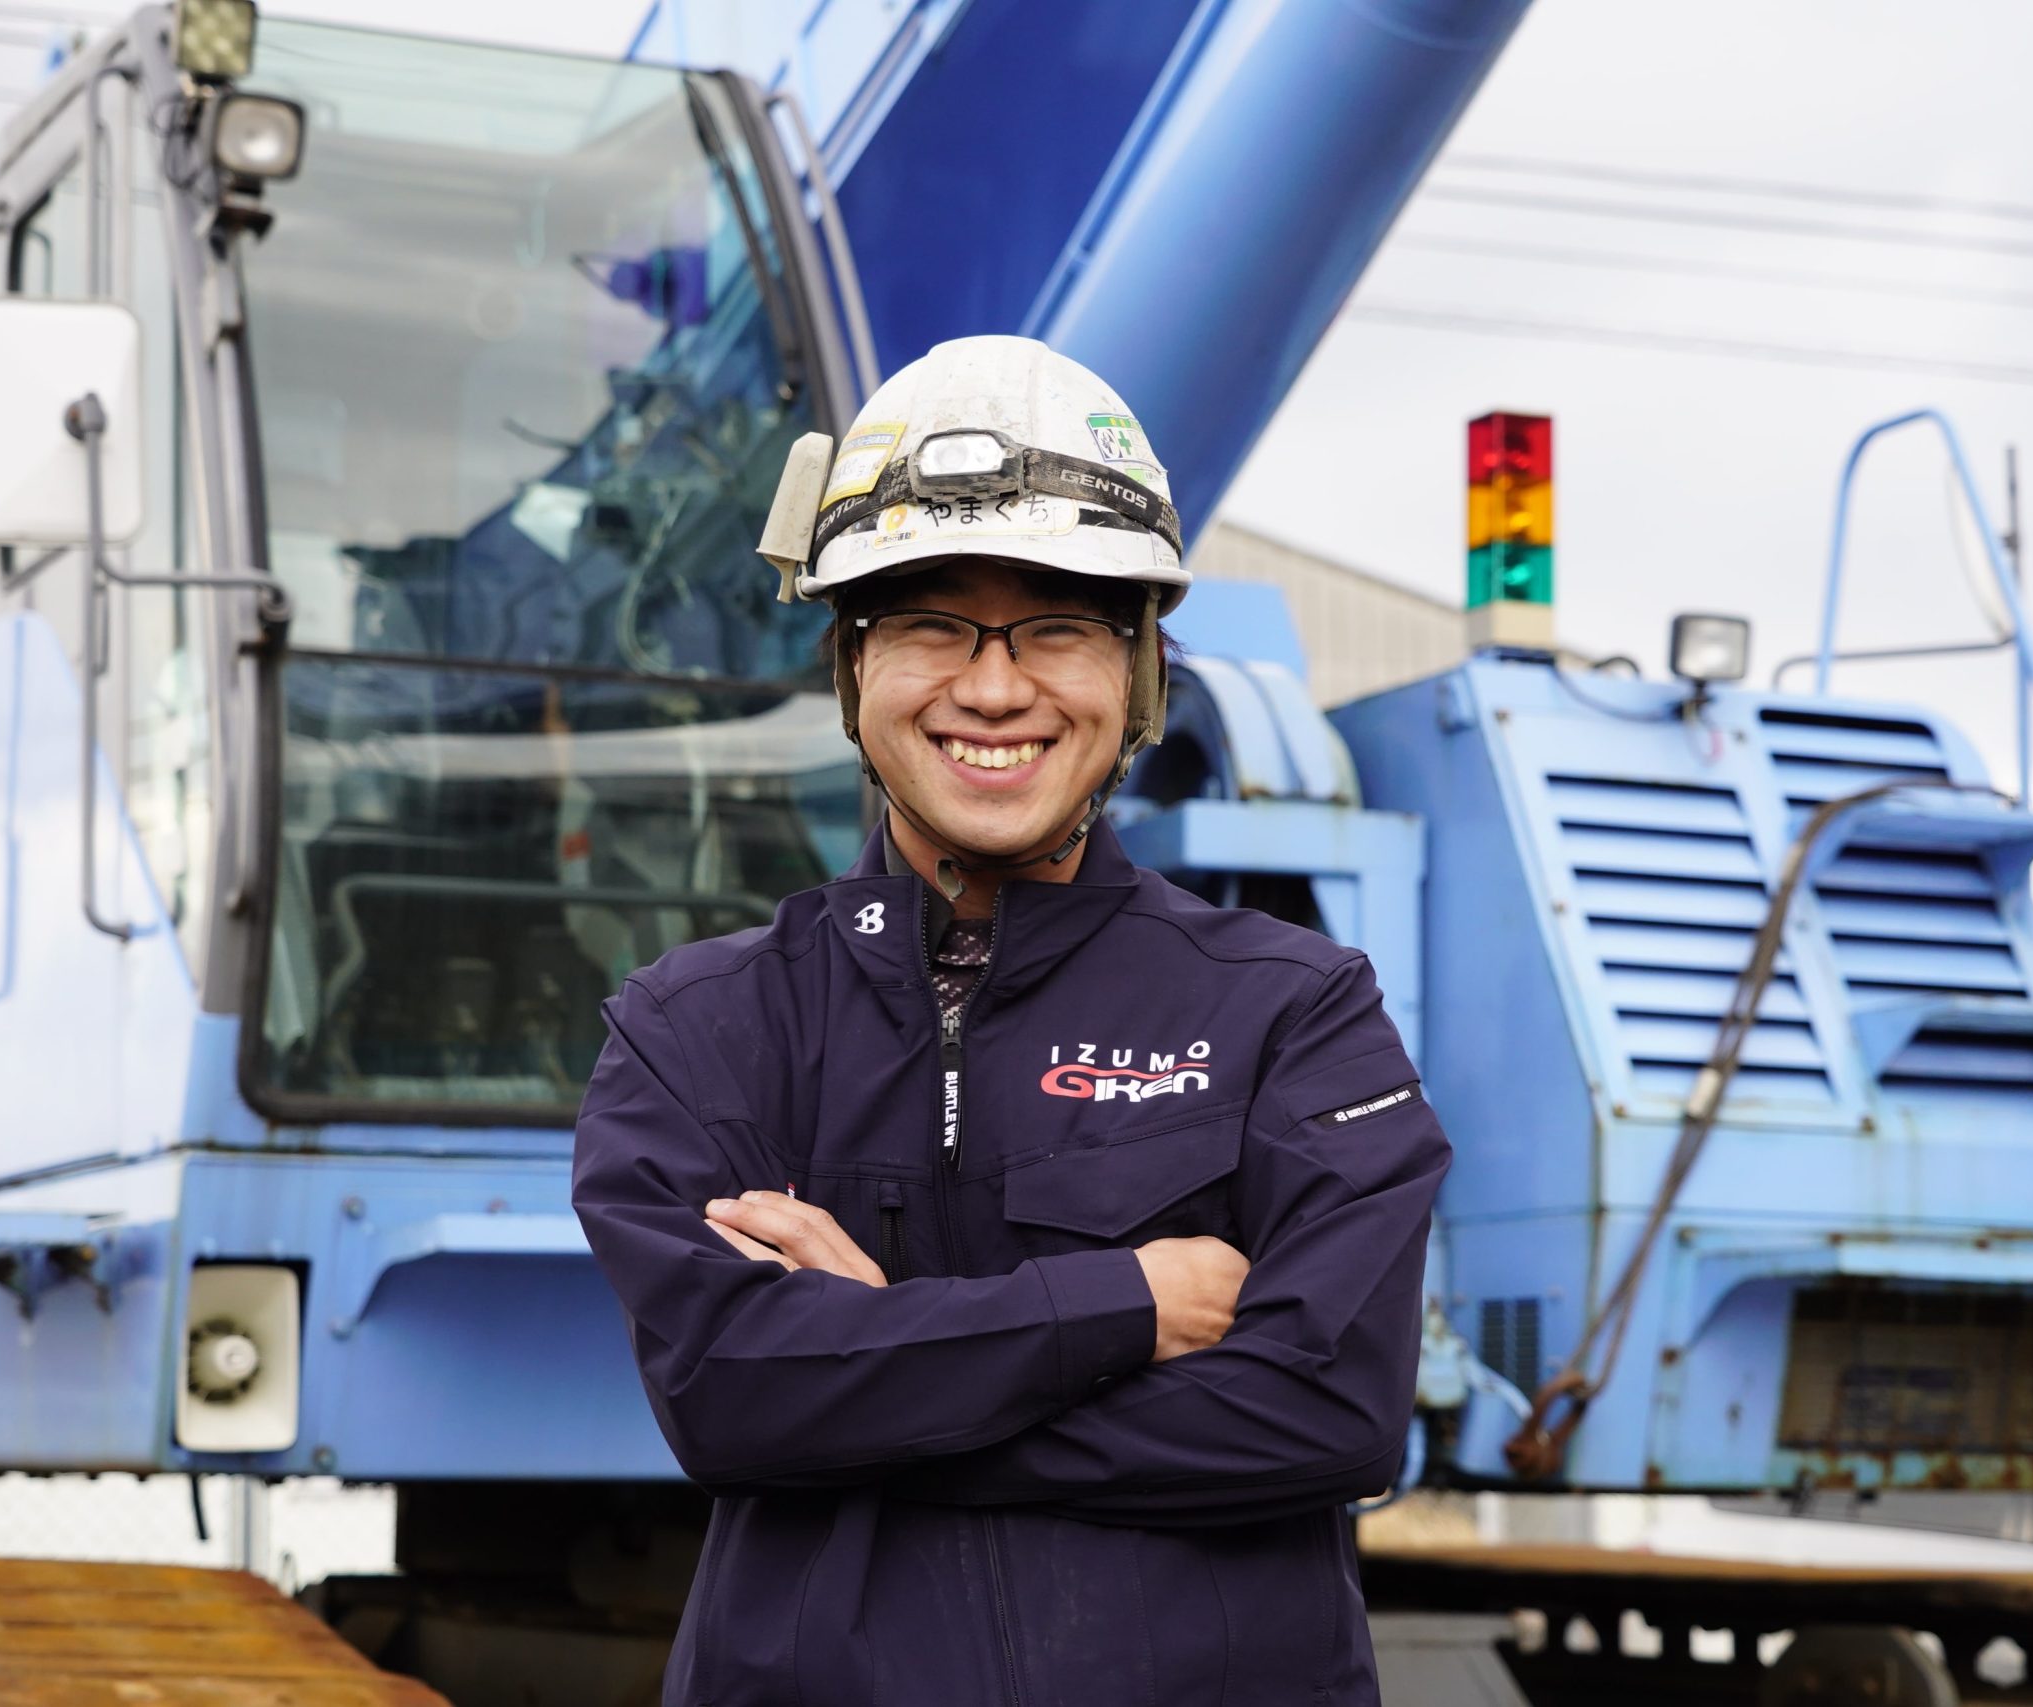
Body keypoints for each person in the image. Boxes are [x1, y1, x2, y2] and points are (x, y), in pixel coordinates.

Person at [572, 335, 1451, 1705]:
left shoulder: (1293, 1012)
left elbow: (1327, 1419)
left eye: (1058, 625)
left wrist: (878, 1361)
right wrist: (1128, 1302)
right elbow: (733, 1398)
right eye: (931, 626)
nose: (994, 687)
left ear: (1141, 671)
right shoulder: (701, 1029)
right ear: (849, 668)